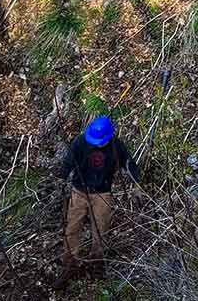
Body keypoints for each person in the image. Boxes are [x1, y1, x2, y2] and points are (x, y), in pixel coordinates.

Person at [53, 115, 141, 289]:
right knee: (72, 228)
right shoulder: (79, 143)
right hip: (79, 191)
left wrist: (137, 182)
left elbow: (129, 163)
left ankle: (97, 263)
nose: (97, 144)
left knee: (101, 229)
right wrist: (60, 180)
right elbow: (67, 163)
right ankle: (70, 265)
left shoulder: (116, 145)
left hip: (103, 193)